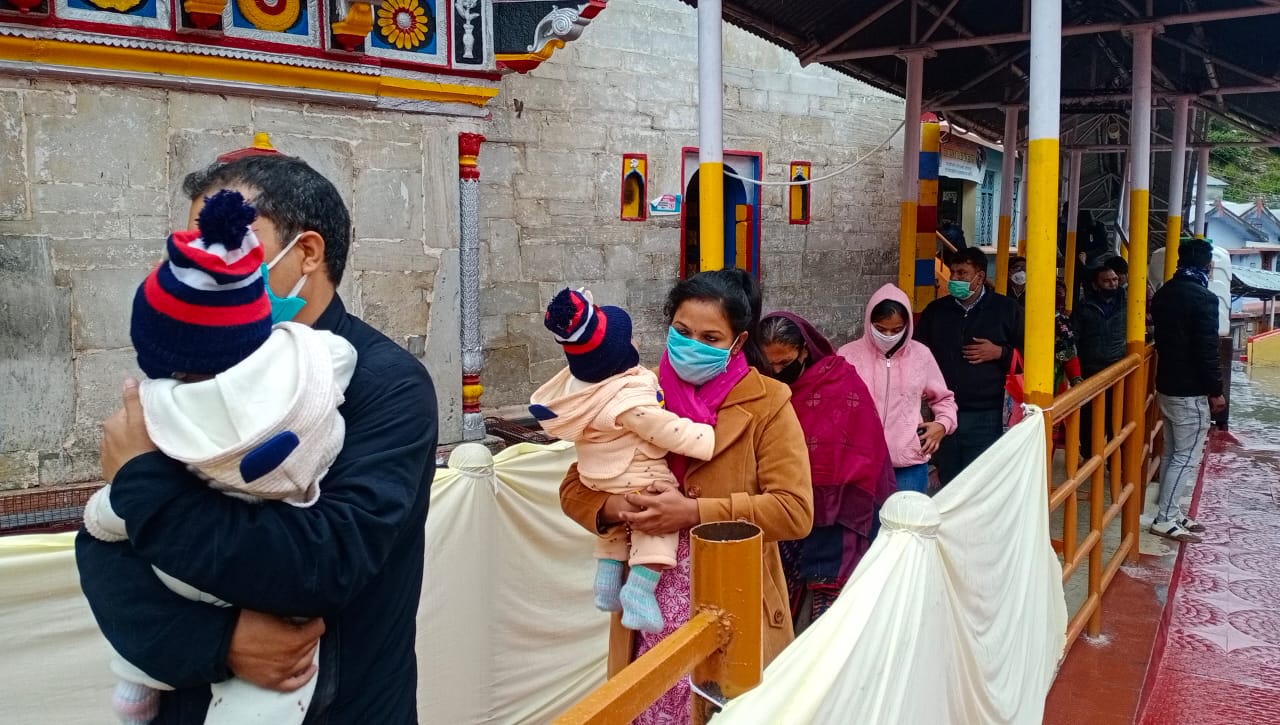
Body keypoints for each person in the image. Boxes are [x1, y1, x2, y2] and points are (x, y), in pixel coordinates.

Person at [76, 154, 439, 723]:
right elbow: (107, 548)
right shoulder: (193, 370)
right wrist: (216, 642)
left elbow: (325, 561)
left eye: (230, 245)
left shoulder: (383, 383)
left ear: (306, 253)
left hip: (342, 704)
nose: (209, 263)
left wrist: (141, 483)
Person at [559, 269, 814, 724]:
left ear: (737, 342)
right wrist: (616, 507)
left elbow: (794, 511)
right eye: (682, 331)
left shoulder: (768, 403)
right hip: (648, 600)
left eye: (710, 336)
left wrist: (691, 512)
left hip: (731, 597)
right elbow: (577, 484)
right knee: (647, 706)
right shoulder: (637, 391)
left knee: (722, 711)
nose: (692, 343)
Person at [530, 288, 715, 634]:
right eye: (684, 331)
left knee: (614, 533)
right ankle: (639, 591)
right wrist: (706, 439)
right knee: (654, 526)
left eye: (710, 337)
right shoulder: (627, 399)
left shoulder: (581, 391)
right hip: (636, 475)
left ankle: (607, 581)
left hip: (597, 475)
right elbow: (666, 430)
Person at [757, 312, 896, 632]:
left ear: (804, 350)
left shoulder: (841, 380)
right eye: (770, 365)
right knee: (782, 597)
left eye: (785, 362)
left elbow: (864, 443)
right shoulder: (766, 388)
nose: (777, 371)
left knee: (831, 606)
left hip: (843, 508)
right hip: (789, 501)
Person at [915, 247, 1024, 484]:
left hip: (987, 414)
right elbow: (918, 353)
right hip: (943, 414)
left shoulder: (1007, 311)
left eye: (962, 273)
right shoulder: (936, 311)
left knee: (980, 482)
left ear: (980, 277)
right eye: (953, 272)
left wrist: (1000, 353)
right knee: (950, 479)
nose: (954, 279)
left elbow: (1031, 355)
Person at [837, 284, 957, 495]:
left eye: (896, 329)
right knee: (864, 528)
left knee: (905, 526)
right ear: (869, 323)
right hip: (859, 465)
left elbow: (944, 399)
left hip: (908, 465)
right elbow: (834, 406)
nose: (888, 335)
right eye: (881, 329)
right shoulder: (847, 355)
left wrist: (942, 424)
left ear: (907, 326)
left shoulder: (921, 355)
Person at [1149, 239, 1225, 544]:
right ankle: (1165, 518)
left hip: (1167, 384)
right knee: (1187, 456)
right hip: (1190, 390)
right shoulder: (1203, 299)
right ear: (1208, 266)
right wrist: (1215, 390)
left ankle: (1171, 510)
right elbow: (1207, 349)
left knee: (1172, 452)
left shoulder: (1164, 294)